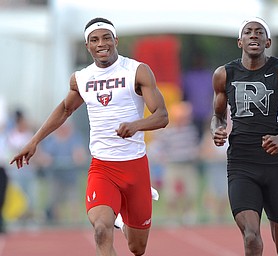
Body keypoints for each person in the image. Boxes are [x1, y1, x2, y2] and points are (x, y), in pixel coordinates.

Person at [10, 17, 168, 256]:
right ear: (88, 46)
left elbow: (162, 116)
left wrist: (136, 125)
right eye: (94, 40)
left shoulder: (137, 71)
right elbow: (65, 109)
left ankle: (124, 218)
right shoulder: (81, 78)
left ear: (115, 40)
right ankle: (113, 218)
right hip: (102, 167)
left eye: (106, 38)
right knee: (101, 230)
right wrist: (33, 141)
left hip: (134, 166)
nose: (101, 44)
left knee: (137, 248)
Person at [210, 17, 278, 255]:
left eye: (259, 32)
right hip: (241, 164)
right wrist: (217, 130)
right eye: (248, 32)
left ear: (268, 42)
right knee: (251, 237)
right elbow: (218, 116)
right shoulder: (224, 74)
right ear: (239, 41)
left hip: (276, 164)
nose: (254, 35)